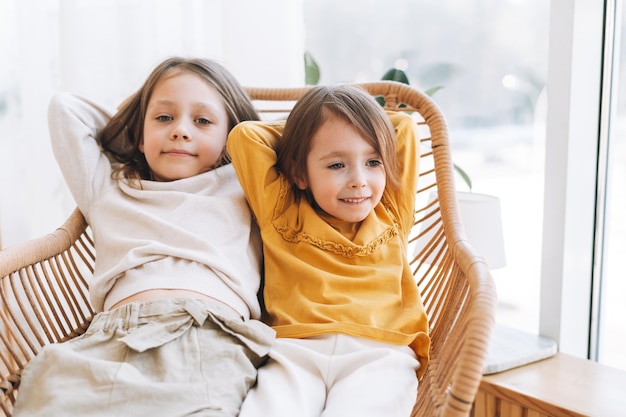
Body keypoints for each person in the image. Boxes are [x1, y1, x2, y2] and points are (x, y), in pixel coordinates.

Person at [13, 57, 275, 417]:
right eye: (164, 117)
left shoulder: (242, 183)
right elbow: (64, 109)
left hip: (208, 331)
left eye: (202, 120)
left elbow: (299, 149)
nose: (180, 130)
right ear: (139, 132)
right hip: (110, 335)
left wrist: (237, 141)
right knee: (51, 399)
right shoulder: (108, 185)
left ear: (232, 135)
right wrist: (134, 128)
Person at [226, 84, 431, 417]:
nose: (359, 180)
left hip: (379, 352)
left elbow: (404, 127)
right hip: (295, 350)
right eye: (337, 165)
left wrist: (342, 125)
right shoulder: (282, 213)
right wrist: (307, 130)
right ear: (298, 172)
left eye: (373, 161)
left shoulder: (391, 211)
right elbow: (245, 137)